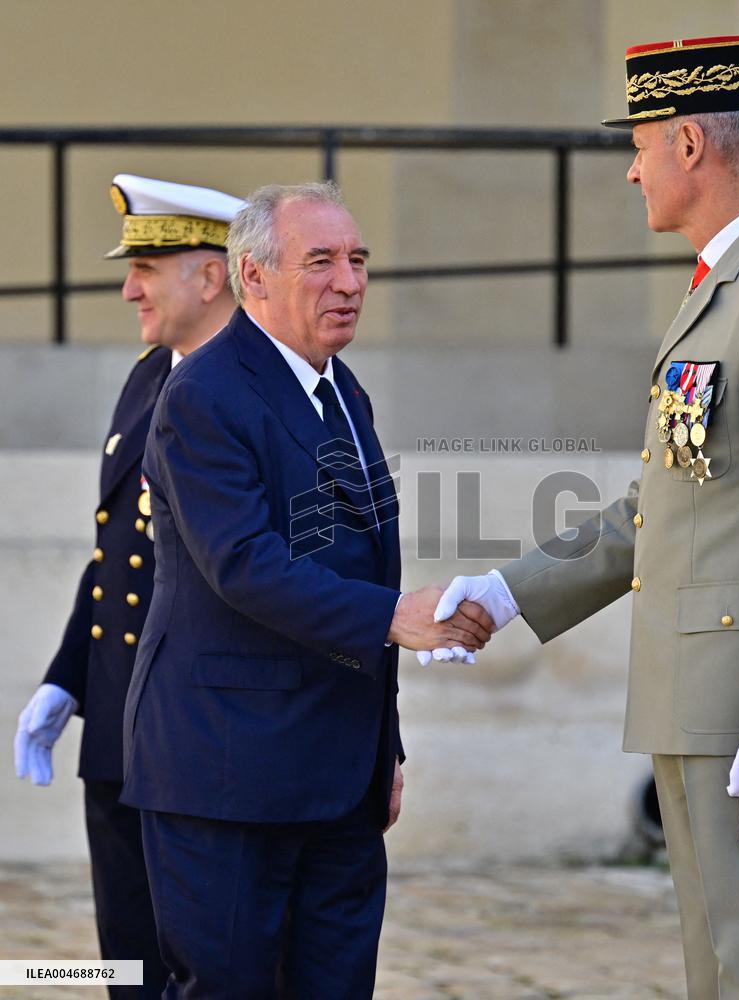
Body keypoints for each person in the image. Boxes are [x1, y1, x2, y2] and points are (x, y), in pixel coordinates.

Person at [429, 35, 739, 1000]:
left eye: (639, 143)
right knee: (719, 969)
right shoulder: (728, 290)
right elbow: (667, 503)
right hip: (698, 697)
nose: (630, 167)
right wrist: (509, 591)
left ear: (688, 145)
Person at [119, 182, 491, 999]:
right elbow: (244, 563)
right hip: (226, 775)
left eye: (358, 260)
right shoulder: (204, 395)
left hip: (337, 774)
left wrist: (381, 744)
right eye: (320, 261)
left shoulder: (342, 390)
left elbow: (359, 561)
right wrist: (395, 620)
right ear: (251, 276)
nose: (349, 282)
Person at [13, 175, 244, 996]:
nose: (127, 287)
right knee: (127, 962)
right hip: (116, 725)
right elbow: (115, 549)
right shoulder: (150, 375)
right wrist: (67, 678)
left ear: (209, 275)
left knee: (199, 968)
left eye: (147, 267)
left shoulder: (255, 391)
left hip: (192, 737)